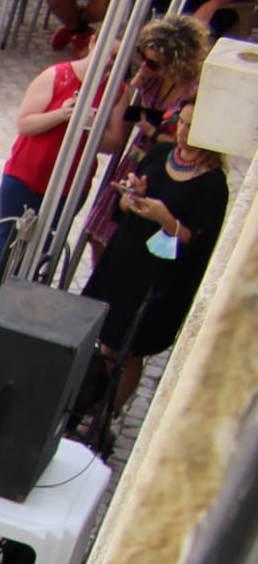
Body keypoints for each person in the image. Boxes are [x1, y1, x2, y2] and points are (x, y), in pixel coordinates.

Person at [77, 125, 230, 432]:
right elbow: (125, 205)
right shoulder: (161, 153)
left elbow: (200, 242)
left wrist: (165, 218)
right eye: (183, 123)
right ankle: (85, 405)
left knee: (128, 349)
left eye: (193, 125)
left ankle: (105, 415)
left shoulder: (213, 184)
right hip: (125, 259)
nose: (186, 131)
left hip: (159, 277)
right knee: (107, 340)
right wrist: (131, 197)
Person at [79, 18, 212, 261]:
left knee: (128, 234)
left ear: (175, 63)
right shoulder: (152, 77)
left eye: (153, 62)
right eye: (143, 57)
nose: (146, 65)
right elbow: (132, 110)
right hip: (135, 157)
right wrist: (136, 83)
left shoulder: (193, 90)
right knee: (100, 230)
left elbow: (187, 138)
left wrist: (153, 132)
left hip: (164, 161)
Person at [0, 53, 86, 288]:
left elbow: (113, 141)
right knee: (7, 242)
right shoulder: (57, 75)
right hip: (25, 175)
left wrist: (91, 122)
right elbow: (24, 124)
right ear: (94, 43)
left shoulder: (116, 91)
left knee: (43, 250)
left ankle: (17, 308)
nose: (112, 62)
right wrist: (62, 114)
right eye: (111, 55)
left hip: (69, 185)